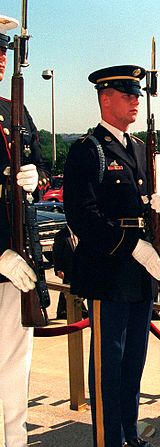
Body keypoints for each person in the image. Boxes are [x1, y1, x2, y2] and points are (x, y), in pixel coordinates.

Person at [64, 65, 160, 447]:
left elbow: (139, 202)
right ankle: (109, 438)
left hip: (139, 271)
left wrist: (158, 208)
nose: (136, 101)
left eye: (137, 95)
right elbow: (82, 215)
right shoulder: (87, 149)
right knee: (110, 361)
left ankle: (128, 430)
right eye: (128, 95)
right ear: (105, 99)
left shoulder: (139, 148)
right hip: (109, 269)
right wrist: (131, 246)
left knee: (134, 360)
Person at [0, 15, 49, 447]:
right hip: (1, 254)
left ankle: (14, 439)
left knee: (17, 360)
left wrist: (37, 177)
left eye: (3, 51)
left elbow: (45, 170)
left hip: (20, 255)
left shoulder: (13, 110)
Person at [52, 225, 87, 320]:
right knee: (69, 288)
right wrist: (58, 269)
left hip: (78, 267)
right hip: (67, 267)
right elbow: (57, 253)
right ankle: (82, 311)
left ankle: (62, 311)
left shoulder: (80, 232)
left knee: (69, 289)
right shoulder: (61, 235)